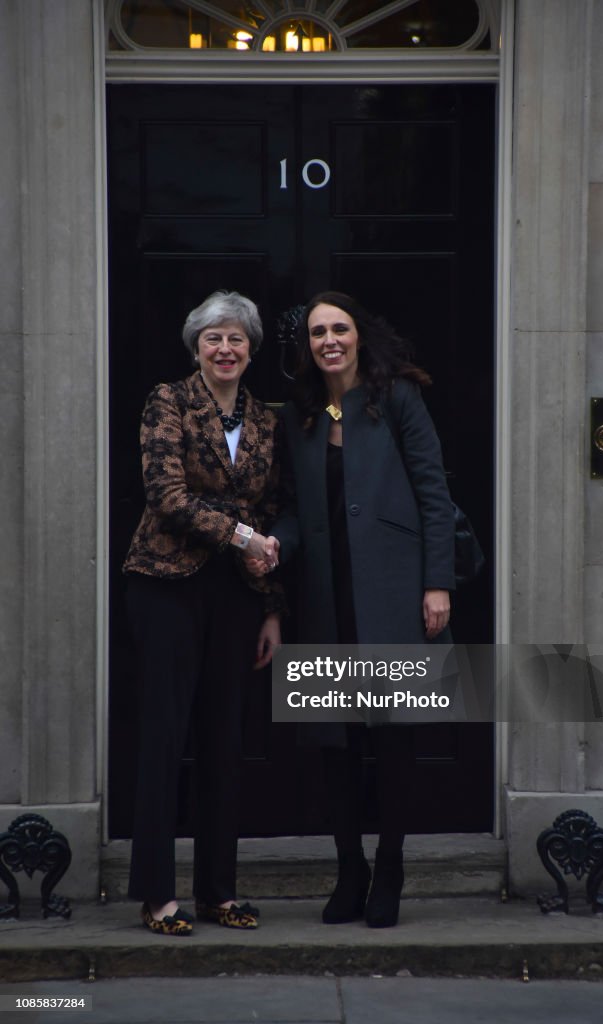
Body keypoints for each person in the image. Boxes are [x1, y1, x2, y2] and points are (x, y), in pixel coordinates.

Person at [249, 291, 455, 928]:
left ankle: (390, 867)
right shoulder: (302, 414)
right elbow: (290, 505)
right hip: (324, 600)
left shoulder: (398, 397)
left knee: (392, 742)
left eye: (339, 328)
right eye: (317, 332)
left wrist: (436, 583)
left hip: (394, 595)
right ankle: (350, 870)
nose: (329, 340)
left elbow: (433, 492)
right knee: (334, 748)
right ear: (306, 345)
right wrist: (276, 543)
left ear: (359, 335)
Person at [123, 289, 282, 937]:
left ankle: (220, 891)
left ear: (251, 350)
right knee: (165, 737)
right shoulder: (168, 400)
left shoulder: (265, 419)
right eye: (214, 338)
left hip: (236, 594)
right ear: (197, 347)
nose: (225, 348)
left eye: (236, 338)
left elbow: (269, 513)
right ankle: (157, 895)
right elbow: (165, 493)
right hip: (165, 585)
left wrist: (272, 606)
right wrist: (242, 538)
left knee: (225, 740)